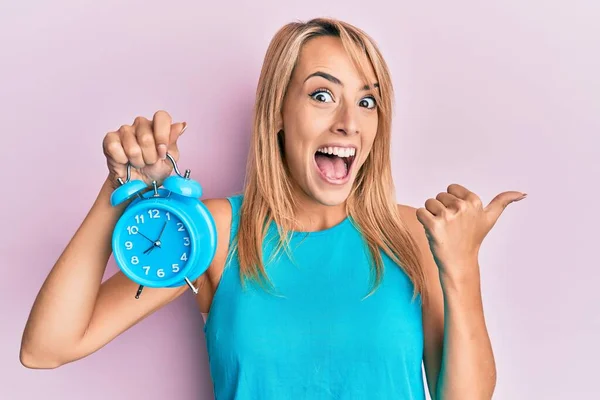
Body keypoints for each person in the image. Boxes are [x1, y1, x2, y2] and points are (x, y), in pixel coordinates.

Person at [20, 17, 526, 399]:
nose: (349, 121)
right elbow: (47, 347)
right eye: (323, 95)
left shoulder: (417, 235)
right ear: (278, 113)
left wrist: (461, 268)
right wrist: (118, 189)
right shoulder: (216, 235)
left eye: (367, 101)